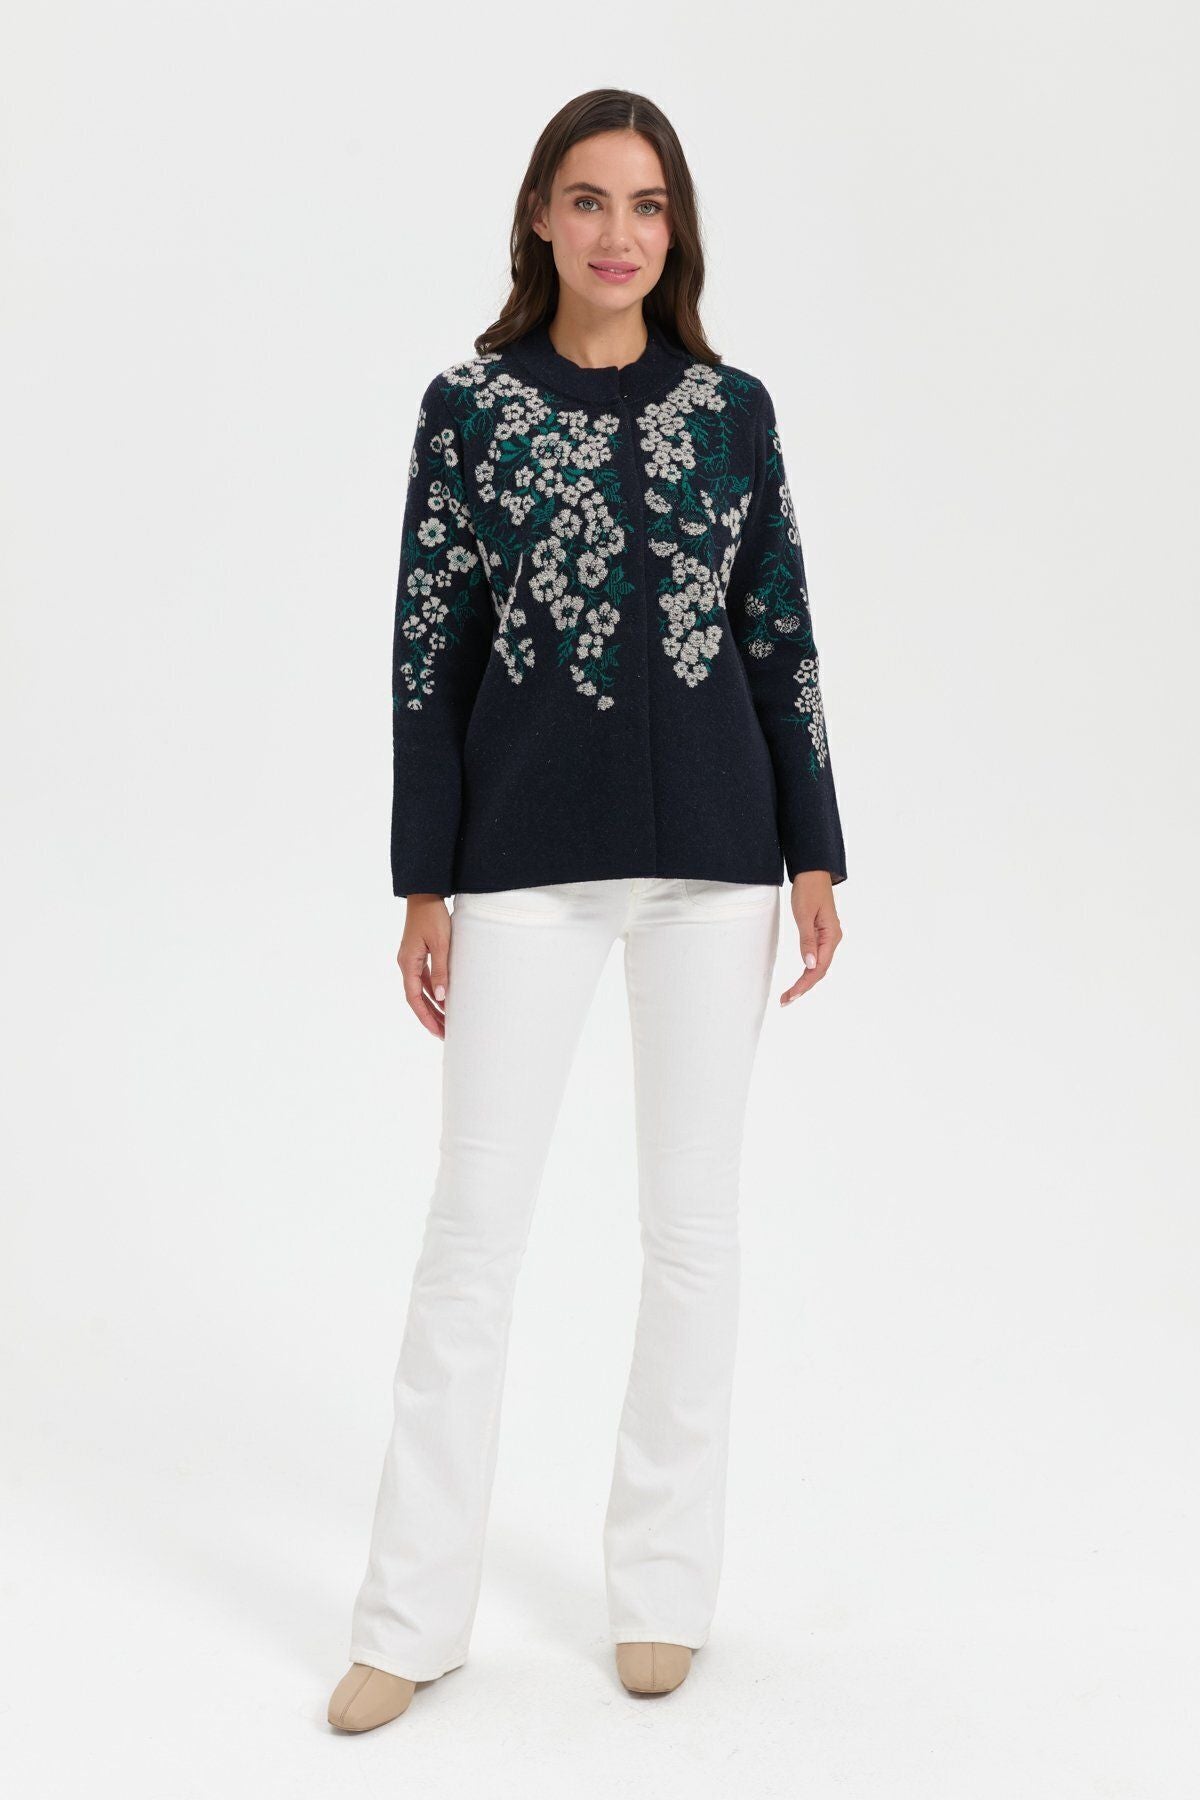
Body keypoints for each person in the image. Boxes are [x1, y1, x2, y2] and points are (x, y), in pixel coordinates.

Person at [328, 87, 848, 1734]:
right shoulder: (470, 411)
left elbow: (779, 634)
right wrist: (424, 879)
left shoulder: (733, 412)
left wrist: (816, 851)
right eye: (588, 199)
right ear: (541, 220)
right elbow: (429, 653)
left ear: (675, 230)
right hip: (522, 871)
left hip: (718, 867)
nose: (619, 232)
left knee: (692, 1231)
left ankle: (664, 1589)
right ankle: (410, 1618)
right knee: (472, 1238)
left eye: (647, 203)